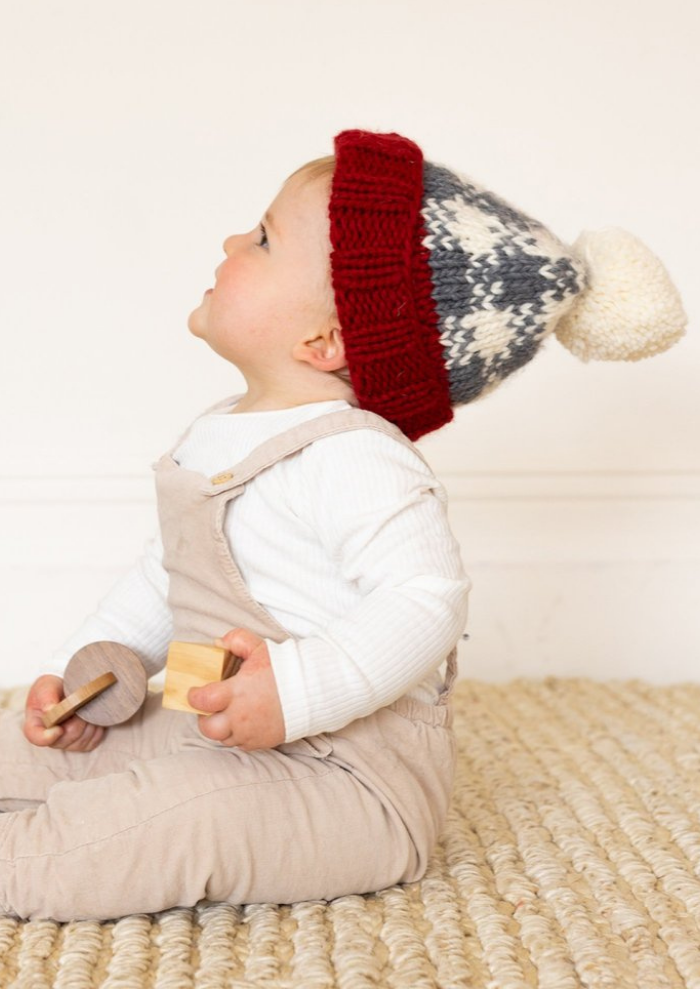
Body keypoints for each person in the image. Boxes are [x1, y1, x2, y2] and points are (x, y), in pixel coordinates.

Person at [0, 129, 686, 922]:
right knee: (37, 753)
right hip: (212, 725)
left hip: (341, 781)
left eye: (261, 240)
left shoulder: (355, 456)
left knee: (158, 823)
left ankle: (31, 860)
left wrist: (294, 692)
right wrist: (75, 673)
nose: (230, 240)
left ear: (321, 341)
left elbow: (426, 600)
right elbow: (166, 575)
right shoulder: (220, 430)